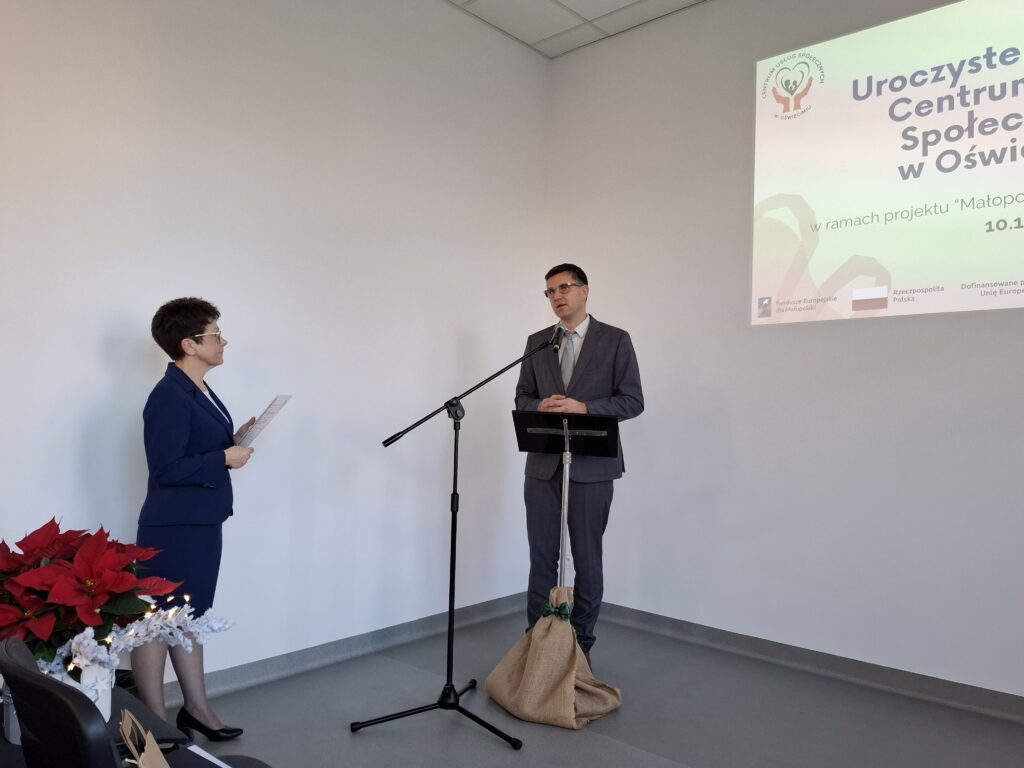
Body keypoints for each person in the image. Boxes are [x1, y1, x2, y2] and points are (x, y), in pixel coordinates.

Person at [131, 297, 255, 741]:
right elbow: (165, 469)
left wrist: (231, 443)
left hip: (201, 521)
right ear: (190, 344)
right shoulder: (168, 395)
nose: (223, 341)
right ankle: (154, 722)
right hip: (173, 528)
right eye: (215, 334)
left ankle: (197, 709)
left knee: (189, 618)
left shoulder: (198, 389)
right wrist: (223, 457)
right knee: (155, 623)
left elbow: (192, 449)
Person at [515, 264, 644, 663]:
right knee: (541, 559)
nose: (557, 296)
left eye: (564, 287)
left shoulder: (616, 340)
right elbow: (522, 397)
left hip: (592, 467)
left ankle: (581, 646)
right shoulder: (538, 342)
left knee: (587, 559)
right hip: (542, 467)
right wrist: (541, 405)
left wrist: (585, 407)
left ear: (584, 291)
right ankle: (538, 643)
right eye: (550, 291)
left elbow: (633, 401)